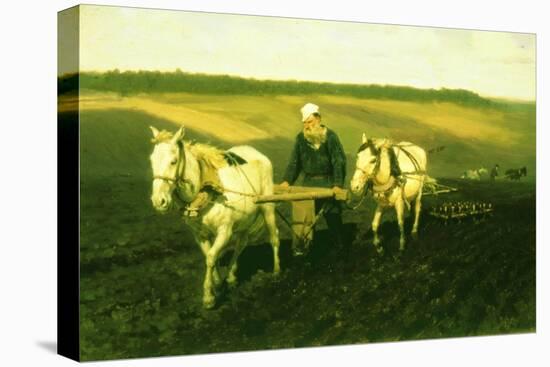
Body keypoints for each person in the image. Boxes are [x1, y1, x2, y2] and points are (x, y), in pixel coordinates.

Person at [280, 103, 347, 254]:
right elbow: (294, 162)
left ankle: (340, 247)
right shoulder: (301, 139)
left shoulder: (330, 137)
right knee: (306, 220)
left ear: (318, 119)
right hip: (308, 183)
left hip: (328, 183)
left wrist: (337, 184)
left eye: (310, 122)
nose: (307, 126)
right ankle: (308, 249)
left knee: (333, 217)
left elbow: (339, 161)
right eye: (305, 123)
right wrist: (286, 181)